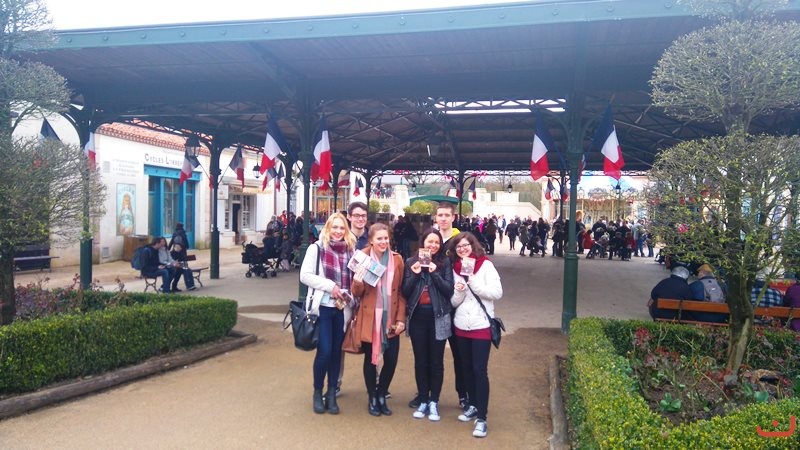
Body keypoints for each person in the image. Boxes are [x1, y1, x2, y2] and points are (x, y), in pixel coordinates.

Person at [299, 213, 356, 415]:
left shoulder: (351, 251)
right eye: (335, 227)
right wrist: (330, 286)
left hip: (342, 308)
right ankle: (317, 392)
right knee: (324, 351)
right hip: (322, 307)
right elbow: (305, 276)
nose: (338, 231)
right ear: (328, 228)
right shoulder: (317, 248)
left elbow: (354, 279)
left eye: (342, 228)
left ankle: (331, 393)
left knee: (336, 352)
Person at [449, 232, 502, 438]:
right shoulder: (456, 268)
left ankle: (482, 417)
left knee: (479, 370)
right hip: (461, 324)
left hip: (481, 324)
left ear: (473, 245)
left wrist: (474, 284)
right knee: (466, 368)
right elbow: (454, 302)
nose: (462, 249)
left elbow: (497, 292)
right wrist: (459, 291)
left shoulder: (485, 265)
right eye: (458, 247)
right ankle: (471, 404)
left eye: (466, 245)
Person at [351, 223, 406, 417]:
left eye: (386, 238)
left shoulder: (397, 259)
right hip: (370, 317)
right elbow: (357, 293)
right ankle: (372, 396)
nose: (383, 242)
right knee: (371, 360)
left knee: (391, 360)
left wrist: (401, 319)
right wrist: (357, 281)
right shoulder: (362, 258)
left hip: (391, 317)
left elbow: (401, 292)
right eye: (379, 238)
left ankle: (382, 393)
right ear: (371, 240)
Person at [402, 228, 454, 422]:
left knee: (436, 361)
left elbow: (448, 290)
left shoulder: (444, 262)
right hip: (418, 317)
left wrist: (435, 273)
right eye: (430, 242)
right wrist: (415, 274)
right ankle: (423, 398)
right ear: (423, 242)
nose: (433, 245)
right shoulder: (410, 262)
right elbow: (405, 291)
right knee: (421, 360)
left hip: (438, 316)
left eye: (436, 243)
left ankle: (434, 401)